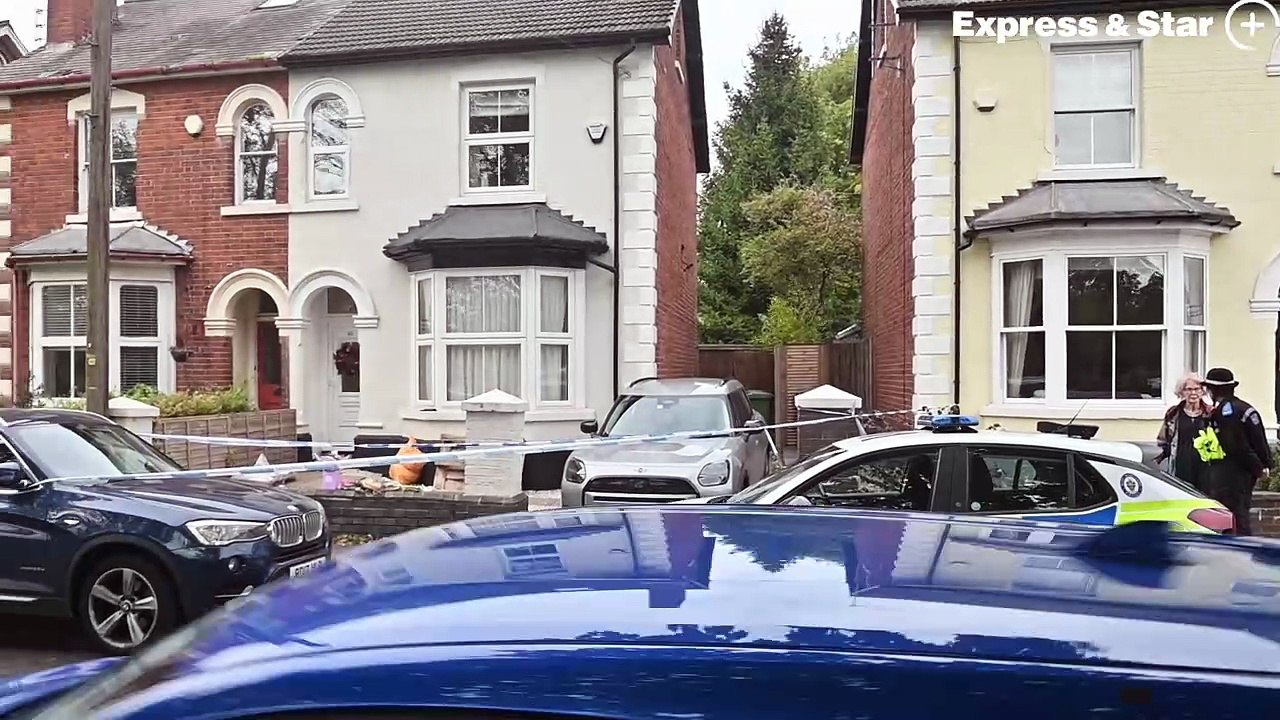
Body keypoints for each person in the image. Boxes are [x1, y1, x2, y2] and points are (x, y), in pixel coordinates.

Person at [1200, 367, 1272, 536]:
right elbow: (1259, 440)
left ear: (1213, 390)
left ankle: (1242, 552)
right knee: (1239, 512)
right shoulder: (1244, 408)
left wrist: (1257, 467)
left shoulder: (1227, 412)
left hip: (1233, 472)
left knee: (1235, 516)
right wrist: (1265, 463)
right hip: (1243, 470)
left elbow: (1236, 445)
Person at [1155, 373, 1212, 492]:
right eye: (1189, 389)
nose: (1193, 393)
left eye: (1197, 389)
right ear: (1181, 392)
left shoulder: (1210, 413)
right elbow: (1163, 440)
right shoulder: (1173, 413)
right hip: (1181, 462)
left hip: (1206, 465)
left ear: (1203, 391)